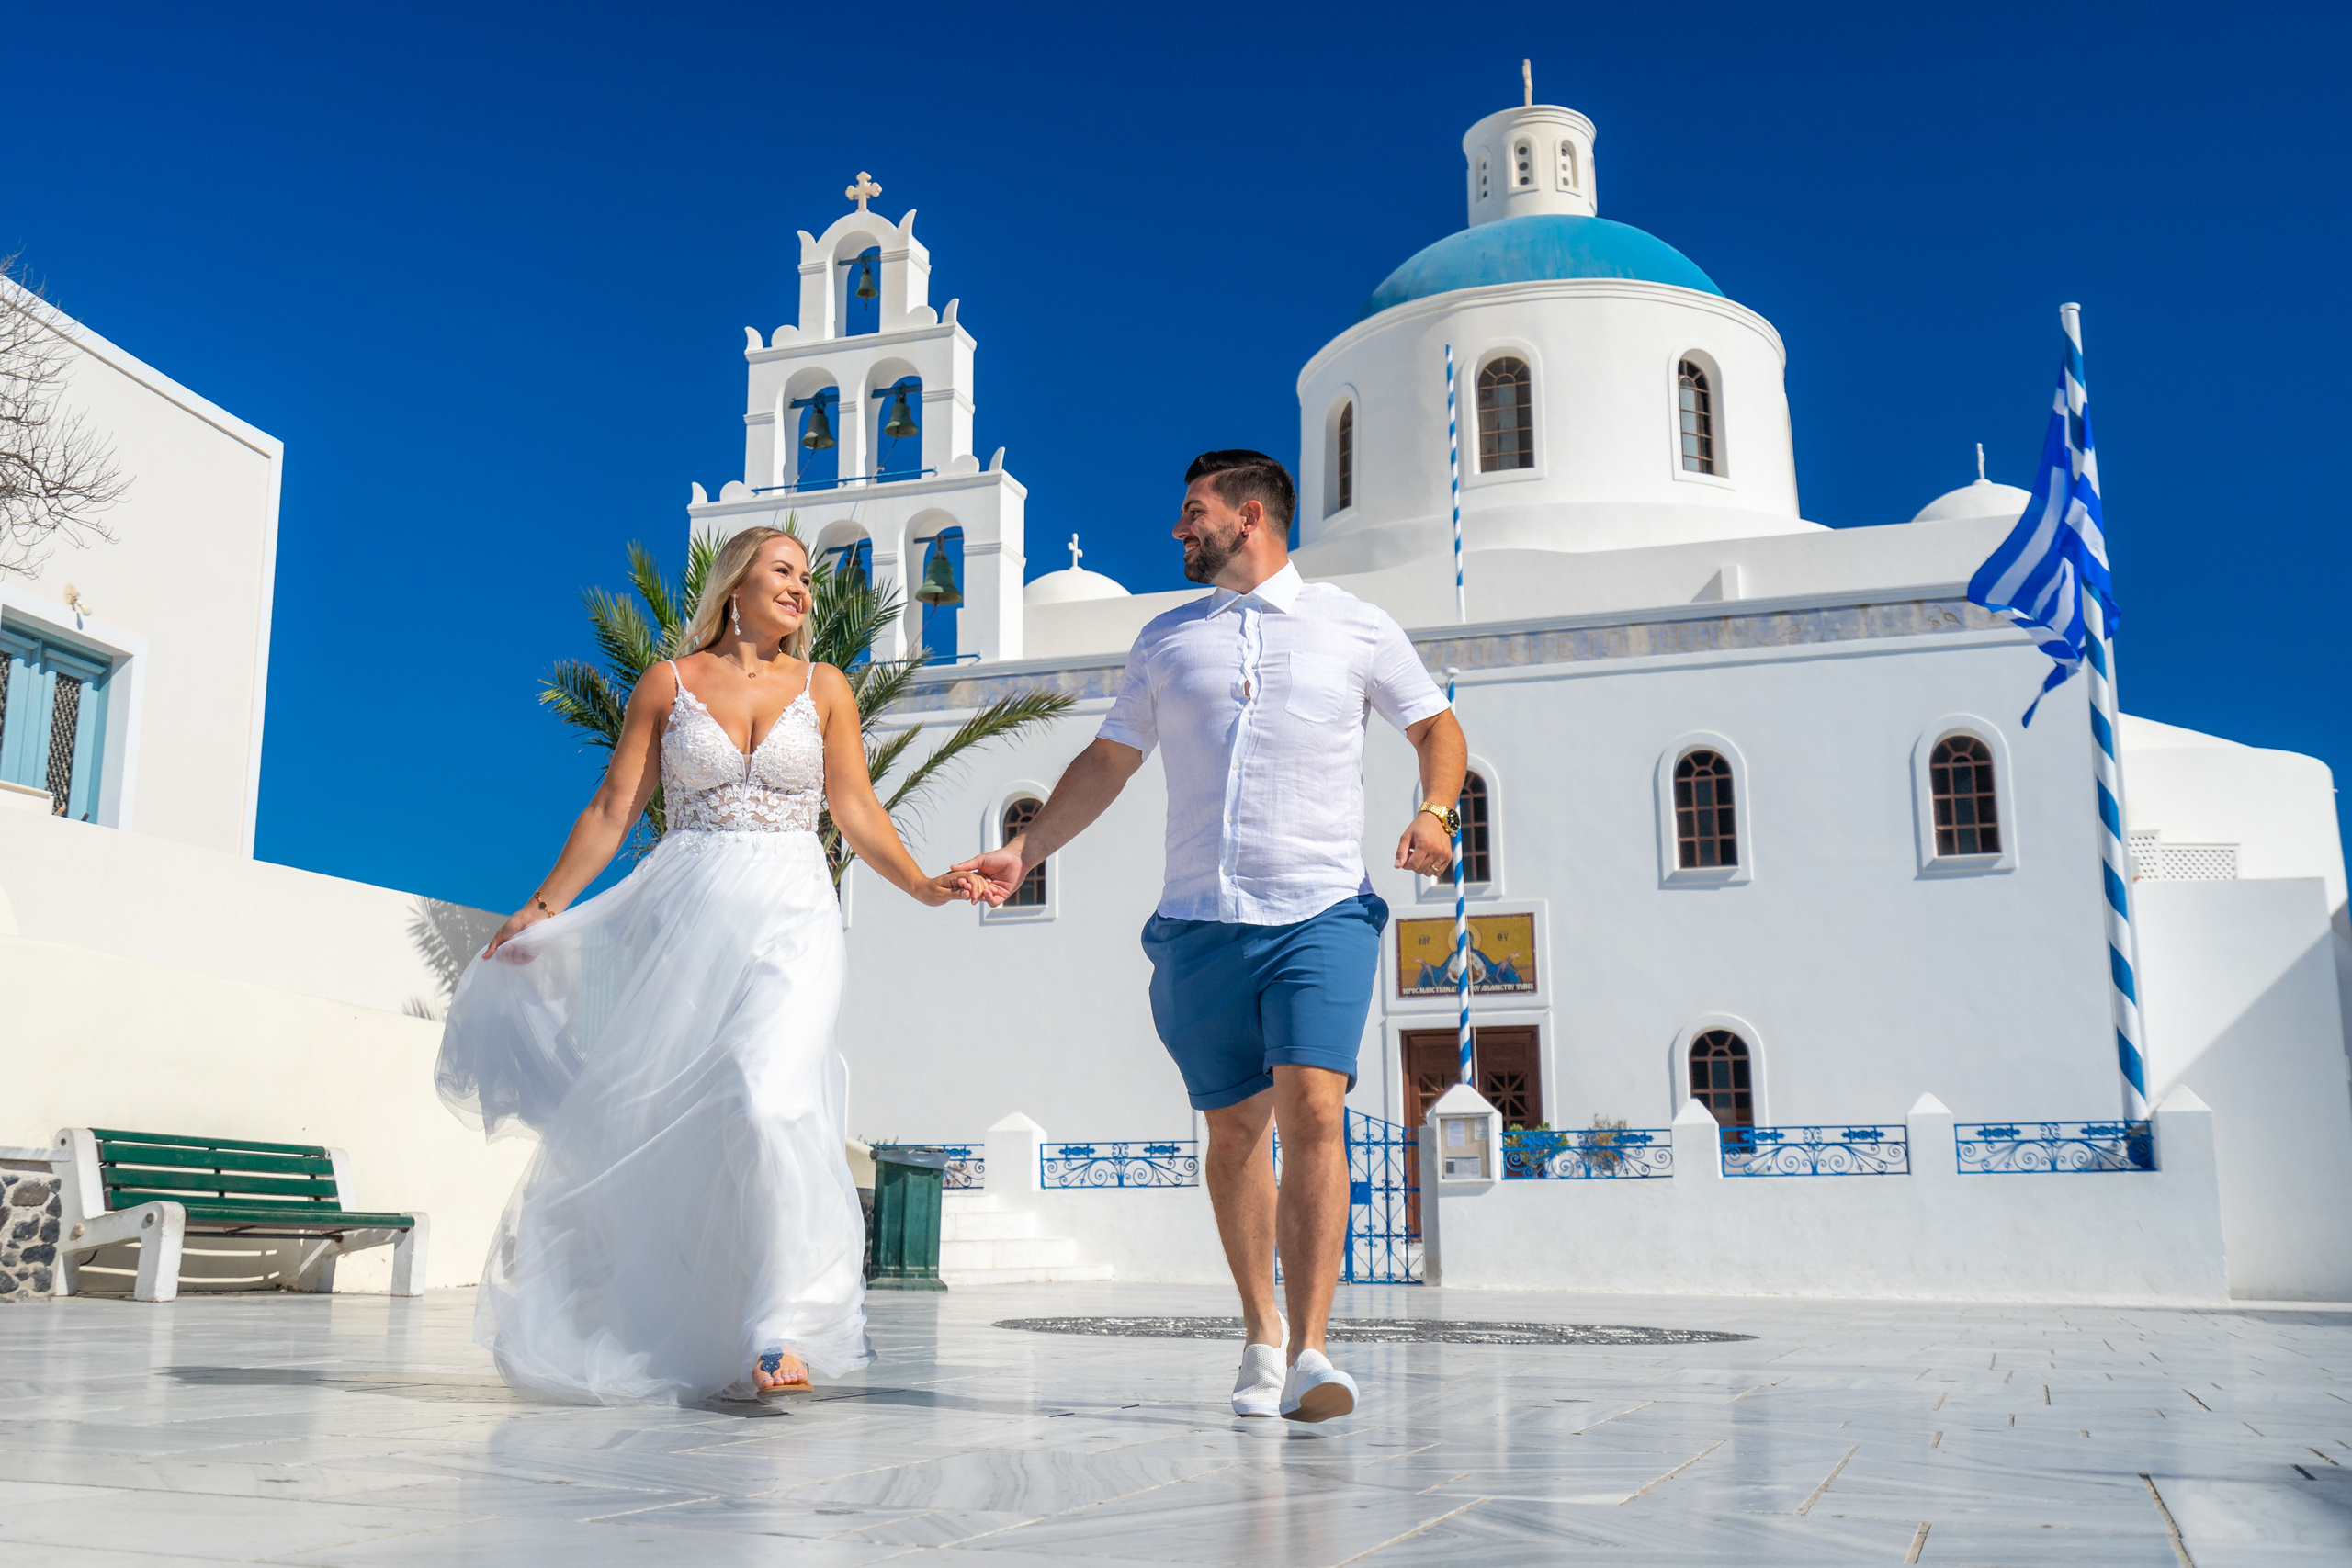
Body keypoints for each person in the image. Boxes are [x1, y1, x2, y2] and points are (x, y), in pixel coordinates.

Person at [956, 451, 1465, 1422]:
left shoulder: (1354, 627)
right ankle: (1260, 1335)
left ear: (1248, 515)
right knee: (1233, 1133)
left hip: (1320, 907)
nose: (1178, 531)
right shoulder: (1166, 639)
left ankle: (1315, 1349)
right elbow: (1109, 761)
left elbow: (1436, 726)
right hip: (1198, 920)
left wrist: (1436, 810)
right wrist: (1025, 851)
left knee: (1315, 1108)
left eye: (1193, 513)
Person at [435, 525, 997, 1405]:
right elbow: (615, 804)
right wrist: (542, 909)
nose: (803, 589)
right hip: (686, 915)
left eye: (808, 579)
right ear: (735, 582)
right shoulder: (667, 683)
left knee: (768, 1096)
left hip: (796, 914)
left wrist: (925, 885)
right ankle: (702, 1317)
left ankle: (784, 1323)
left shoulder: (827, 687)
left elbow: (855, 806)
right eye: (785, 571)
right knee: (695, 1112)